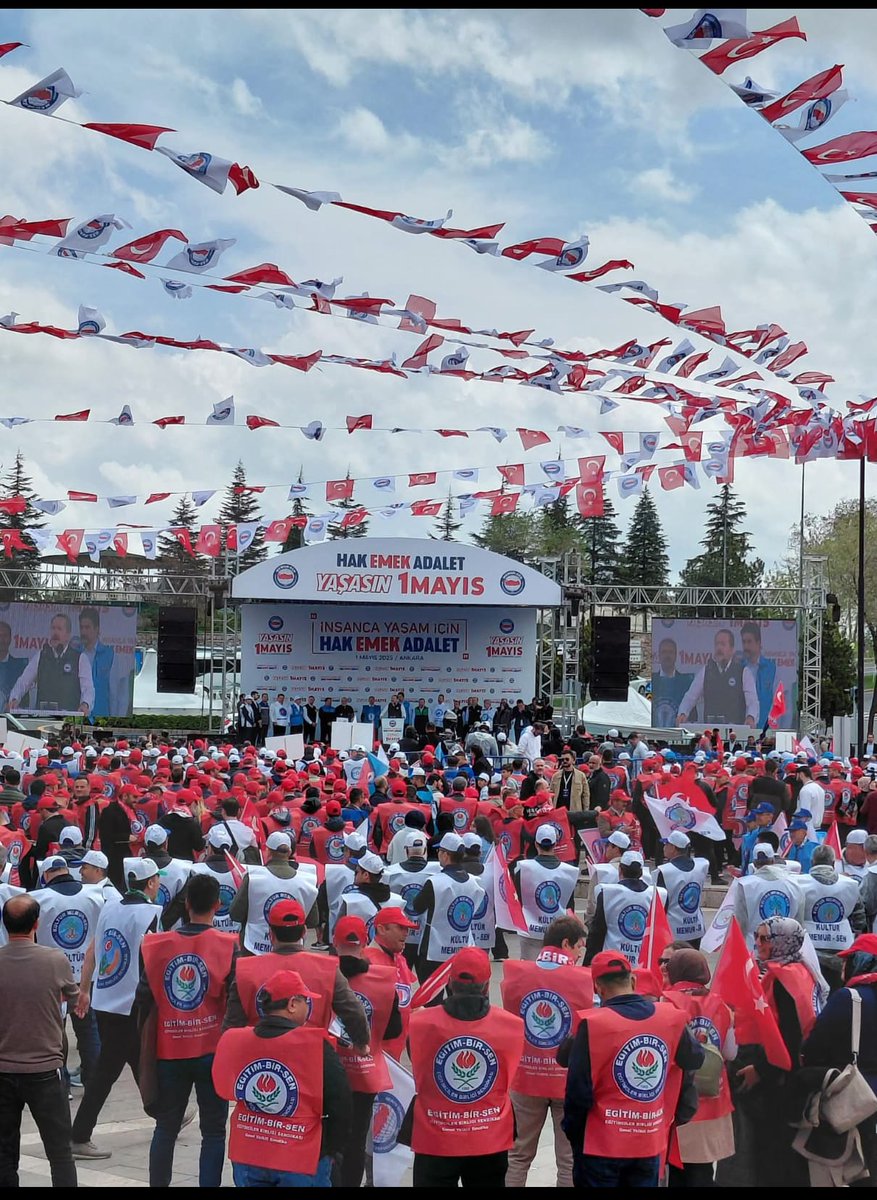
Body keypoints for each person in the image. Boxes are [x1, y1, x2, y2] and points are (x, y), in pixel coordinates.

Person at [562, 949, 704, 1188]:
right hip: (647, 1142)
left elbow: (577, 1093)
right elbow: (695, 1059)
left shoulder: (593, 1024)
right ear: (633, 981)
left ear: (597, 987)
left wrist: (574, 1134)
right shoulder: (671, 1018)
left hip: (601, 1145)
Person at [138, 872, 237, 1187]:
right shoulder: (229, 946)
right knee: (213, 1131)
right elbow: (237, 1001)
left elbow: (143, 996)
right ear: (218, 904)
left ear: (187, 903)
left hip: (170, 1048)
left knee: (166, 1128)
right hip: (213, 1050)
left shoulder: (156, 945)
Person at [212, 967, 352, 1187]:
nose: (309, 1007)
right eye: (306, 1001)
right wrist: (329, 1149)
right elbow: (341, 1102)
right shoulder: (314, 1046)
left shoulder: (236, 1041)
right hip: (299, 1157)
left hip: (249, 1152)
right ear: (292, 1004)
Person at [408, 946, 524, 1186]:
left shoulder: (419, 1023)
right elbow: (507, 1074)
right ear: (486, 986)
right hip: (489, 1136)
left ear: (449, 983)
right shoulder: (511, 1026)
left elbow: (418, 1063)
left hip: (435, 1138)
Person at [70, 857, 162, 1159]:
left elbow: (95, 949)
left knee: (135, 1058)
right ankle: (80, 1135)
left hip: (105, 998)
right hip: (131, 1003)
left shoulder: (110, 905)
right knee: (107, 1071)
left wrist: (85, 989)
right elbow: (152, 959)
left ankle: (162, 1112)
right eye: (156, 880)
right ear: (150, 883)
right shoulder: (151, 913)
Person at [732, 917, 825, 1188]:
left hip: (782, 1079)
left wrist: (760, 1070)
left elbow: (787, 1035)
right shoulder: (802, 970)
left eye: (765, 938)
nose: (758, 943)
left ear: (782, 941)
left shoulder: (785, 980)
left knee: (775, 1156)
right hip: (797, 1072)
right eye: (757, 937)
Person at [501, 915, 592, 1187]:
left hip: (526, 1077)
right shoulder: (584, 979)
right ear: (567, 943)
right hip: (568, 1080)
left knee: (517, 1156)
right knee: (570, 1159)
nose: (579, 954)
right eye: (579, 947)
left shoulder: (515, 973)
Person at [0, 894, 79, 1188]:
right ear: (36, 923)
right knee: (60, 1153)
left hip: (3, 1070)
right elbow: (73, 1001)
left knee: (5, 1155)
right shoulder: (54, 960)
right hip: (45, 1070)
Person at [801, 932, 877, 1182]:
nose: (843, 966)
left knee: (862, 1170)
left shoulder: (850, 998)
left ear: (862, 962)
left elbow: (814, 1047)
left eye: (849, 960)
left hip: (860, 1100)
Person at [331, 914, 400, 1188]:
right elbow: (394, 1030)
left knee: (327, 1137)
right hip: (364, 1072)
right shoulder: (384, 979)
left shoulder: (321, 973)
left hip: (328, 1071)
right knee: (357, 1138)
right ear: (364, 944)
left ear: (334, 942)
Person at [662, 947, 736, 1187]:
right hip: (712, 1099)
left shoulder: (666, 1001)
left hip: (677, 1101)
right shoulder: (721, 1005)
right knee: (702, 1173)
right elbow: (730, 1052)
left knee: (675, 1173)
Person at [410, 832, 486, 984]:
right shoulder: (476, 882)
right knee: (458, 998)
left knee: (432, 1001)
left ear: (445, 855)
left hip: (433, 950)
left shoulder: (434, 882)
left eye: (439, 851)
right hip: (461, 948)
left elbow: (417, 907)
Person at [228, 832, 318, 954]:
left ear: (268, 851)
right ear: (290, 852)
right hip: (292, 951)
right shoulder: (308, 880)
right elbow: (313, 921)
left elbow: (235, 914)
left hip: (253, 950)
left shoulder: (253, 877)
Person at [584, 850, 666, 967]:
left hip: (612, 962)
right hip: (643, 963)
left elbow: (597, 932)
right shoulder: (658, 894)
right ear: (641, 872)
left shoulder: (607, 893)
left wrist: (588, 962)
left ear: (620, 870)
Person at [8, 612, 95, 717]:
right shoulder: (41, 655)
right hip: (43, 719)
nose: (55, 632)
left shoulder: (80, 658)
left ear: (68, 635)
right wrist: (14, 698)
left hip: (68, 720)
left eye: (59, 629)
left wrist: (85, 704)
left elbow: (88, 688)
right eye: (53, 628)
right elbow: (23, 681)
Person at [513, 824, 580, 961]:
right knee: (555, 972)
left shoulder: (523, 868)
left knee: (530, 971)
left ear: (536, 844)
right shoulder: (570, 871)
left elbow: (517, 898)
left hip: (529, 930)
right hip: (558, 931)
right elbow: (569, 906)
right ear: (555, 844)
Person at [364, 906, 419, 1061]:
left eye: (407, 928)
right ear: (381, 929)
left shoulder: (400, 959)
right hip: (374, 1054)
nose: (406, 933)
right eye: (400, 928)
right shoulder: (367, 962)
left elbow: (407, 1001)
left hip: (395, 1052)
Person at [676, 628, 757, 728]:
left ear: (732, 649)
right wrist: (683, 713)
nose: (719, 648)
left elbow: (752, 701)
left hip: (735, 731)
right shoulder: (706, 671)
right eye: (717, 644)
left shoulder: (743, 672)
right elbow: (690, 697)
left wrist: (751, 717)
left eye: (723, 644)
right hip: (710, 731)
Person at [733, 841, 802, 946]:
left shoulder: (744, 885)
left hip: (754, 949)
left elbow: (740, 923)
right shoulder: (793, 883)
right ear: (773, 861)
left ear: (754, 863)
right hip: (785, 949)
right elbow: (799, 922)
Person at [655, 829, 710, 947]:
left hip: (673, 931)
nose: (664, 847)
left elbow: (661, 904)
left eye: (666, 844)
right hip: (696, 927)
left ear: (673, 848)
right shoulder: (702, 865)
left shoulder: (664, 871)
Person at [78, 607, 128, 719]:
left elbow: (115, 693)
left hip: (102, 718)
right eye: (81, 627)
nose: (83, 632)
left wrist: (115, 720)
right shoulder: (75, 654)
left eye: (87, 627)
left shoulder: (110, 655)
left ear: (97, 629)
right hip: (78, 717)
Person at [740, 622, 778, 730]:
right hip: (744, 730)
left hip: (766, 730)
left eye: (749, 642)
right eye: (743, 642)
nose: (746, 646)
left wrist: (770, 728)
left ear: (758, 643)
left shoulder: (772, 669)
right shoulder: (739, 669)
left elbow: (777, 702)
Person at [651, 636, 693, 728]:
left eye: (670, 652)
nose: (667, 656)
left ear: (676, 655)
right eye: (664, 652)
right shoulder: (652, 680)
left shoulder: (686, 683)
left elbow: (692, 714)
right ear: (659, 655)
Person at [0, 619, 26, 712]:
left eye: (5, 636)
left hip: (11, 720)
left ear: (11, 638)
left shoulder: (20, 668)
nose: (1, 640)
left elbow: (25, 700)